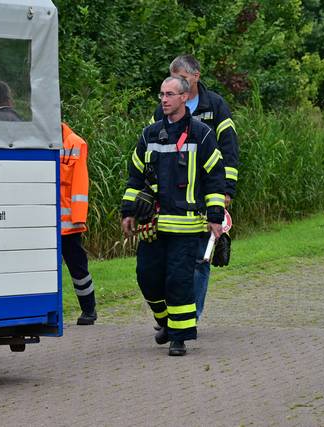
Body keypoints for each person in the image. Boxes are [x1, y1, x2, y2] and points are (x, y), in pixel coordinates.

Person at [121, 76, 226, 356]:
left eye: (170, 94)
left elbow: (215, 178)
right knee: (147, 277)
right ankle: (166, 322)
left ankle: (179, 338)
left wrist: (215, 216)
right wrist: (128, 211)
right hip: (153, 226)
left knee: (178, 281)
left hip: (187, 226)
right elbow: (135, 176)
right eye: (162, 94)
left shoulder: (202, 134)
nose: (164, 100)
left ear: (184, 97)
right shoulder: (150, 135)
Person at [153, 54, 240, 320]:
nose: (177, 83)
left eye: (182, 78)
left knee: (200, 257)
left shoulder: (215, 105)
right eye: (173, 78)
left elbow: (229, 148)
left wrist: (226, 190)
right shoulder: (163, 108)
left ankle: (192, 315)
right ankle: (173, 312)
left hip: (205, 192)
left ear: (196, 76)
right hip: (171, 196)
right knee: (168, 259)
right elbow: (151, 151)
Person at [60, 122, 97, 325]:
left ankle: (89, 309)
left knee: (78, 267)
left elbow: (80, 183)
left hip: (68, 223)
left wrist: (78, 218)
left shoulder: (75, 143)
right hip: (45, 221)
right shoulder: (38, 140)